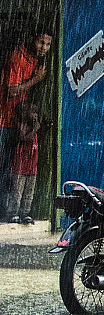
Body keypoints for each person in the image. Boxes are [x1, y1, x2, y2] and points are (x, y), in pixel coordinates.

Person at [0, 29, 51, 199]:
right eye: (41, 42)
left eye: (48, 44)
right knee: (5, 169)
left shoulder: (36, 60)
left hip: (16, 121)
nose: (44, 47)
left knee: (13, 170)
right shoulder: (17, 58)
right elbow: (11, 91)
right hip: (4, 120)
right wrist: (35, 80)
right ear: (31, 39)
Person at [7, 101, 39, 224]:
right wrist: (35, 129)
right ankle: (13, 213)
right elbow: (23, 138)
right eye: (33, 112)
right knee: (17, 193)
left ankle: (25, 213)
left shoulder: (32, 126)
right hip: (19, 167)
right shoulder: (20, 126)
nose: (35, 115)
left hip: (31, 167)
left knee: (28, 193)